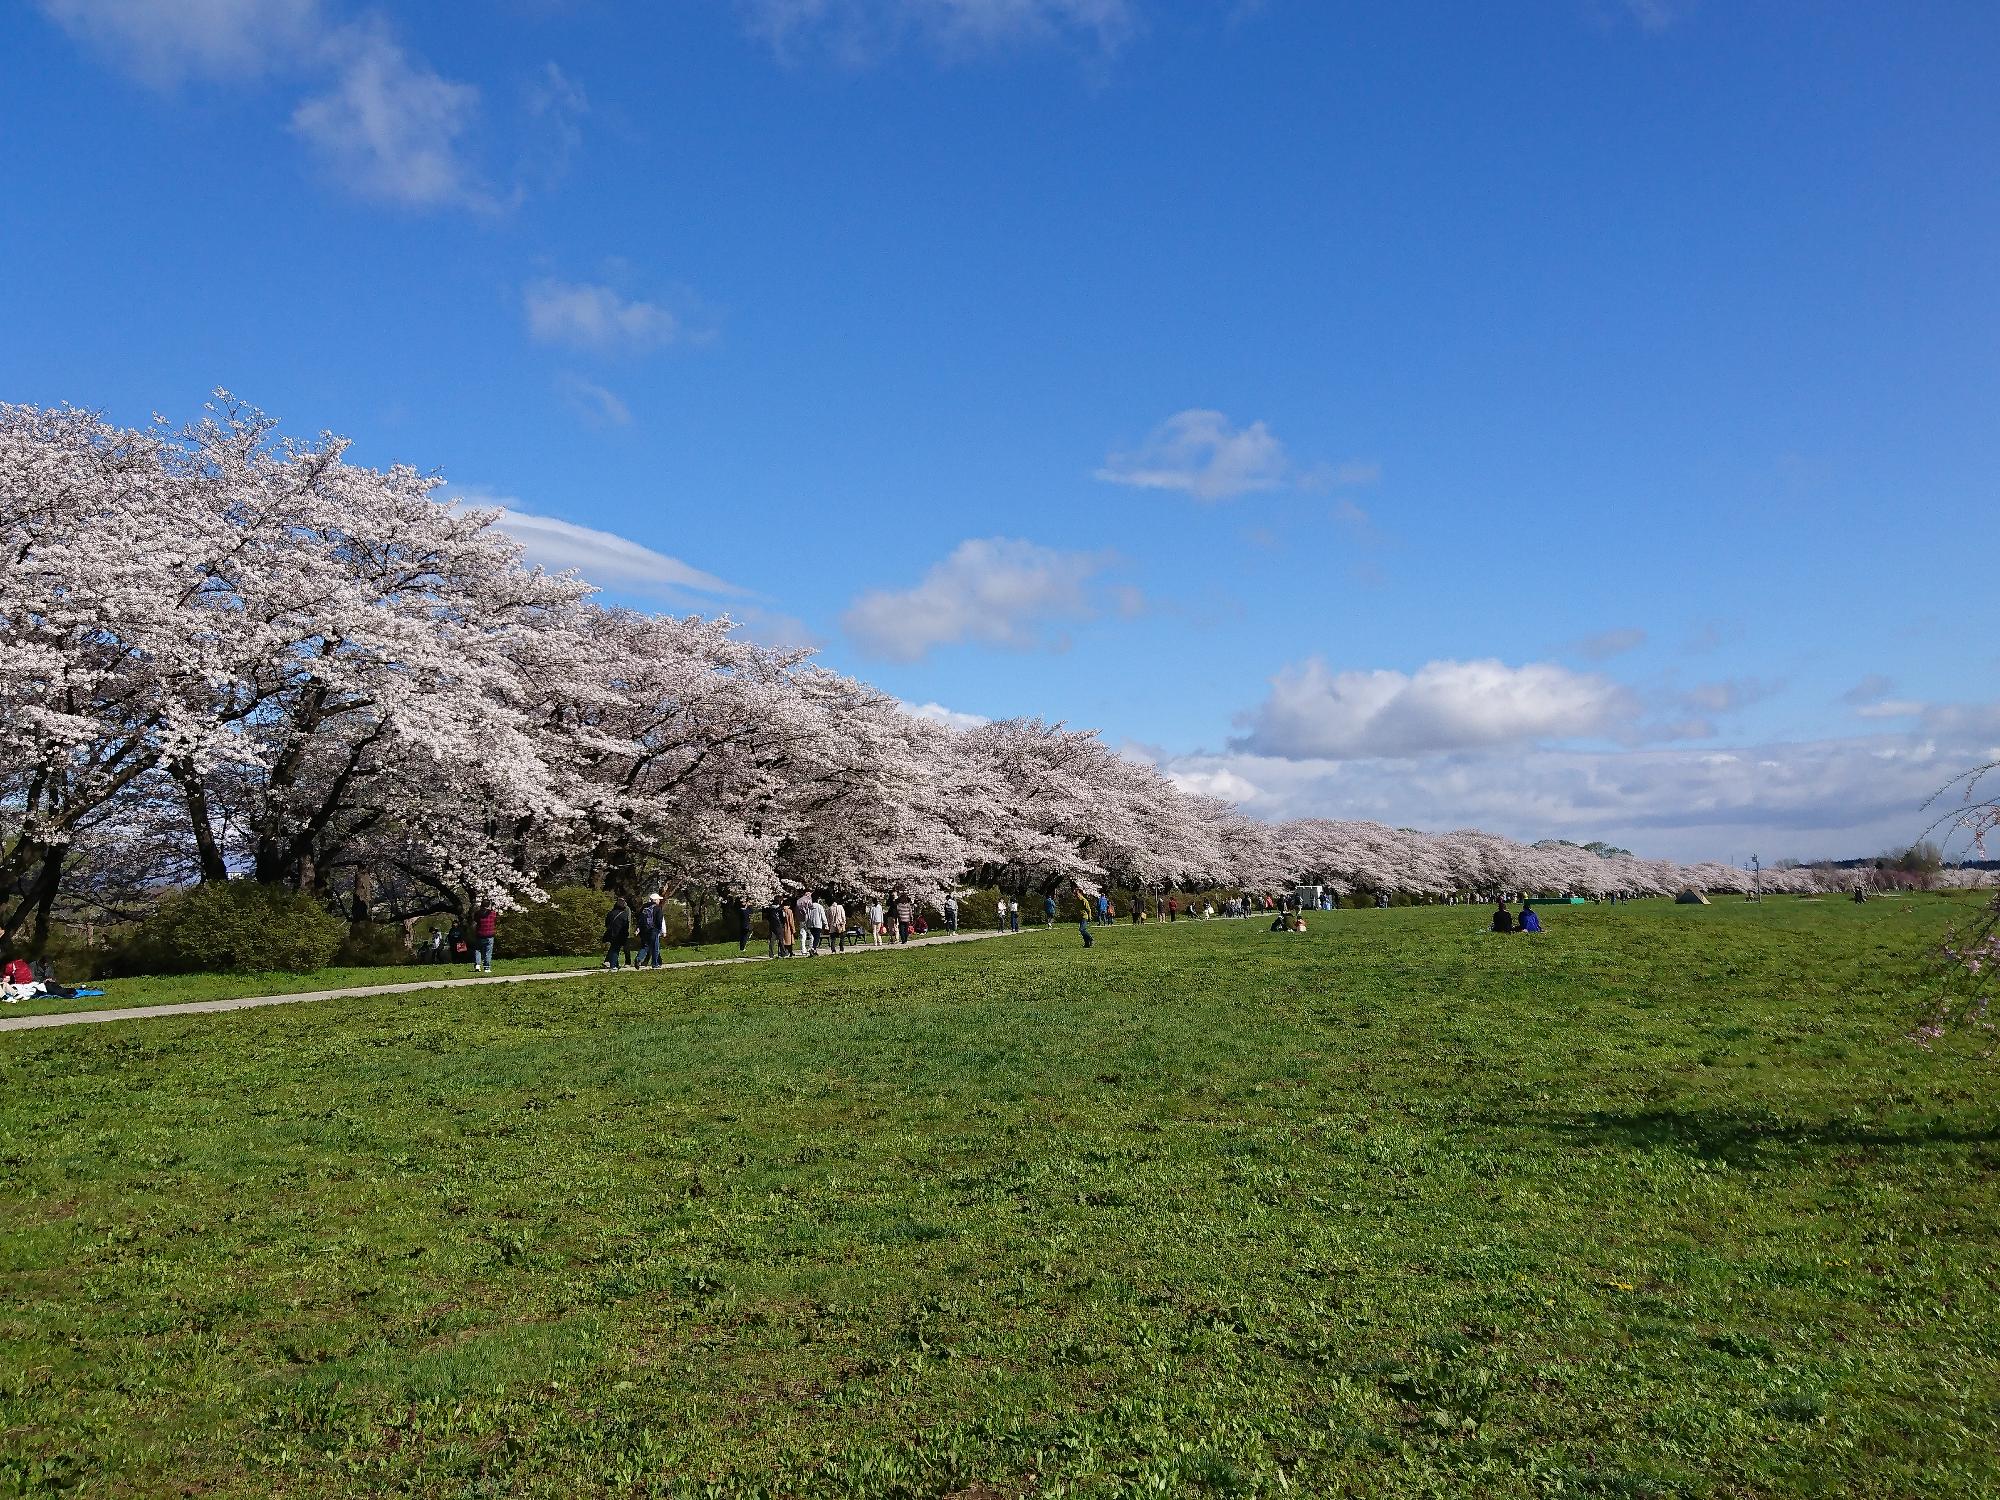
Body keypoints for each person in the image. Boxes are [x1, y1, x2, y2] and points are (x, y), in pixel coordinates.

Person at [638, 892, 666, 968]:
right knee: (655, 948)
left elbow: (639, 918)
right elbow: (659, 920)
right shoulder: (657, 908)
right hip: (653, 930)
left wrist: (639, 928)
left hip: (644, 930)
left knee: (645, 946)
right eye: (658, 899)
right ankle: (655, 963)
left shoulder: (644, 907)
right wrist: (660, 930)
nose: (659, 901)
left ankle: (639, 958)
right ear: (655, 900)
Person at [602, 897, 631, 970]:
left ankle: (616, 964)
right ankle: (613, 965)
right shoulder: (624, 914)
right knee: (615, 950)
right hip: (619, 934)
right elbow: (626, 926)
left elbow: (606, 923)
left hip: (610, 933)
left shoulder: (610, 913)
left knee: (613, 948)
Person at [471, 901, 498, 972]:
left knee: (478, 949)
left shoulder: (477, 914)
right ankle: (487, 967)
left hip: (480, 934)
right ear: (488, 905)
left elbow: (475, 920)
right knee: (488, 951)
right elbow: (495, 919)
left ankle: (477, 965)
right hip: (490, 935)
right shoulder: (492, 913)